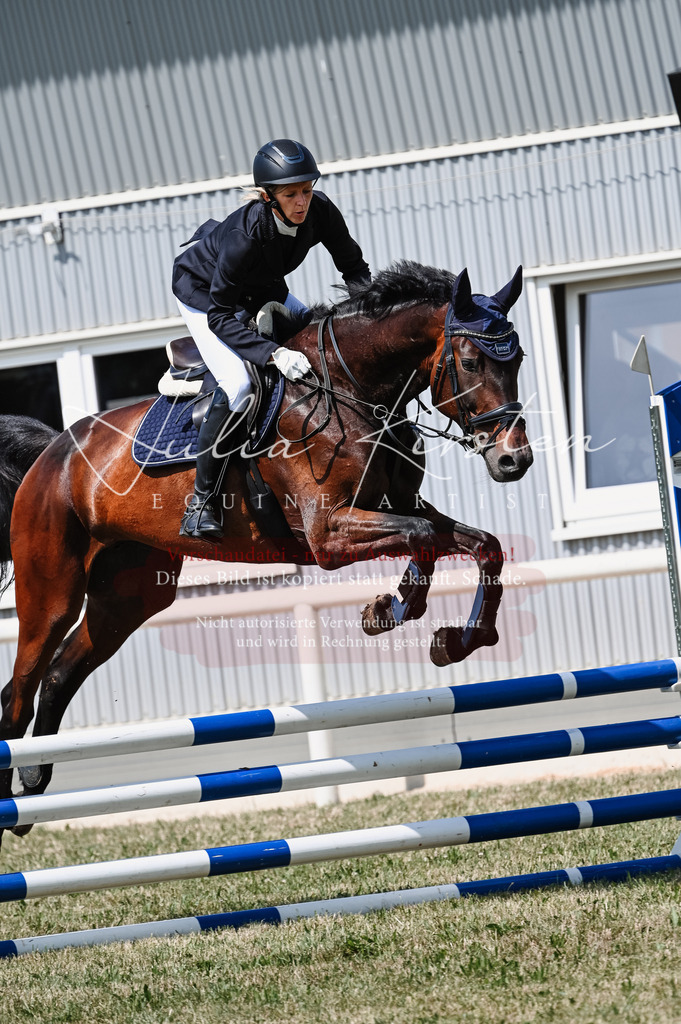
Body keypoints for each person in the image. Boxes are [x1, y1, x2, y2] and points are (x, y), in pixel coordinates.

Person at [171, 138, 371, 540]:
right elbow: (220, 314)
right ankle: (202, 503)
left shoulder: (321, 211)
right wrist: (273, 353)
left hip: (263, 286)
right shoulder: (244, 236)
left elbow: (353, 266)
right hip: (204, 295)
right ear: (268, 197)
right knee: (239, 384)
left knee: (322, 339)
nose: (302, 202)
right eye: (291, 194)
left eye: (307, 190)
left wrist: (369, 315)